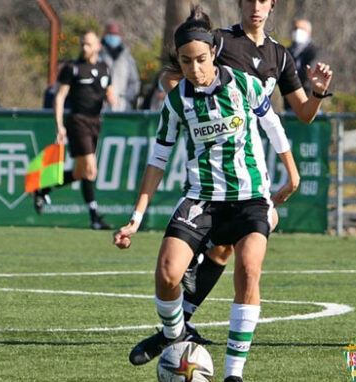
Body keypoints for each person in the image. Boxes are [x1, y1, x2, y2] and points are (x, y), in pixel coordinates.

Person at [115, 8, 300, 380]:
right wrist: (135, 218)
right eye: (186, 62)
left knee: (248, 271)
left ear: (214, 52)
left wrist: (292, 178)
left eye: (201, 60)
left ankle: (234, 373)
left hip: (250, 198)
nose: (195, 69)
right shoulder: (176, 101)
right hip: (201, 198)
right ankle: (174, 335)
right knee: (168, 273)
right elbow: (158, 160)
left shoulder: (244, 84)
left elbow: (274, 127)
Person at [161, 0, 333, 345]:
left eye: (262, 1)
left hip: (250, 164)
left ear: (273, 6)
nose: (255, 7)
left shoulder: (280, 56)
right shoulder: (220, 41)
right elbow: (171, 78)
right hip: (212, 166)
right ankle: (184, 302)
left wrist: (317, 92)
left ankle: (183, 320)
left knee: (228, 247)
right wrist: (198, 113)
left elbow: (303, 112)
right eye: (248, 0)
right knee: (237, 240)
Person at [32, 30, 117, 230]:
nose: (84, 48)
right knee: (91, 169)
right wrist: (59, 125)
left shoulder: (104, 68)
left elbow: (109, 91)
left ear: (98, 47)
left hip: (96, 122)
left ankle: (43, 188)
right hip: (77, 121)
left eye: (88, 44)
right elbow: (60, 97)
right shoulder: (73, 68)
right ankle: (95, 217)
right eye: (82, 44)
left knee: (81, 172)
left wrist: (112, 98)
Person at [99, 21, 141, 111]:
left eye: (115, 34)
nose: (113, 37)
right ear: (104, 35)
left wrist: (124, 97)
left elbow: (135, 82)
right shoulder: (98, 55)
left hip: (123, 108)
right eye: (110, 34)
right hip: (100, 107)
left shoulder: (127, 58)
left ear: (121, 36)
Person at [287, 19, 319, 97]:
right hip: (290, 101)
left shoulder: (315, 51)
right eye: (295, 29)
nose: (298, 31)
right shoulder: (288, 51)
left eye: (301, 29)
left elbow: (310, 72)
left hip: (309, 97)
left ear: (309, 32)